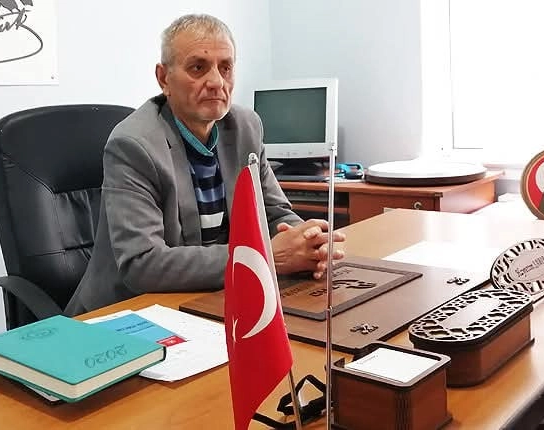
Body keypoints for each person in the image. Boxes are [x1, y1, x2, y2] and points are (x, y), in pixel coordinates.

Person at [65, 14, 345, 315]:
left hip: (214, 296)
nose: (216, 82)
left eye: (225, 68)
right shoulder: (133, 145)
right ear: (164, 78)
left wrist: (308, 242)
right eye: (198, 68)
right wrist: (265, 257)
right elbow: (142, 264)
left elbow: (274, 213)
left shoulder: (246, 127)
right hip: (127, 312)